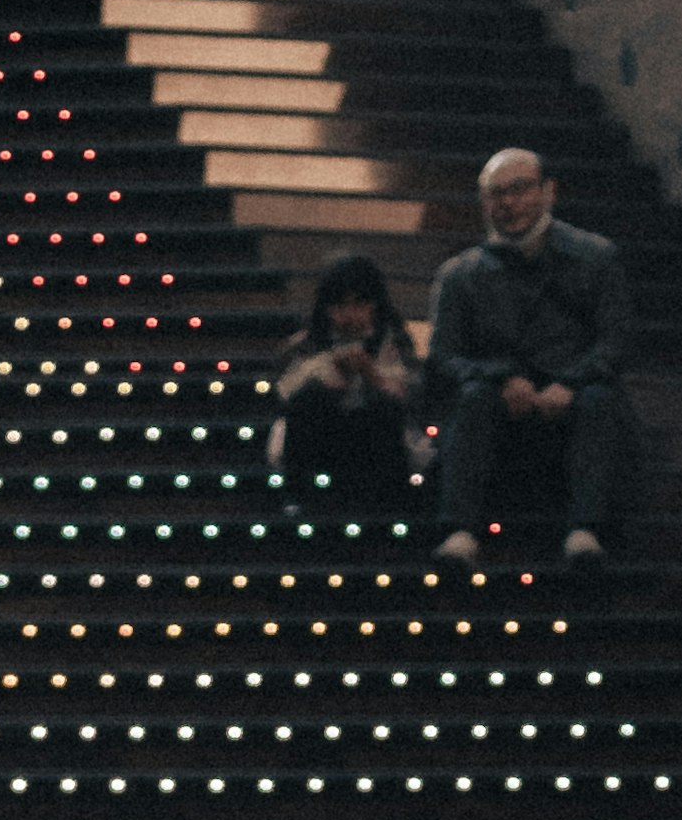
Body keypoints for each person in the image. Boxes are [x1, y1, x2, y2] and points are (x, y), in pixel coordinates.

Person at [429, 147, 635, 571]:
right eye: (495, 194)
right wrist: (499, 379)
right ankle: (460, 532)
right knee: (470, 399)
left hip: (573, 396)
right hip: (497, 401)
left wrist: (571, 383)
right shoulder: (460, 274)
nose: (507, 203)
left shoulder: (596, 258)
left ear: (548, 192)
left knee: (600, 400)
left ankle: (586, 531)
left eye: (519, 190)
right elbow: (443, 357)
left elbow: (616, 344)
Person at [268, 252, 427, 529]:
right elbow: (285, 394)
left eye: (359, 305)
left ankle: (390, 502)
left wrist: (371, 376)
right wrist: (327, 378)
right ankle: (296, 496)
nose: (350, 316)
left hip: (372, 437)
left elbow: (411, 395)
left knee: (385, 408)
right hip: (323, 435)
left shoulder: (395, 341)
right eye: (340, 306)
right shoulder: (306, 342)